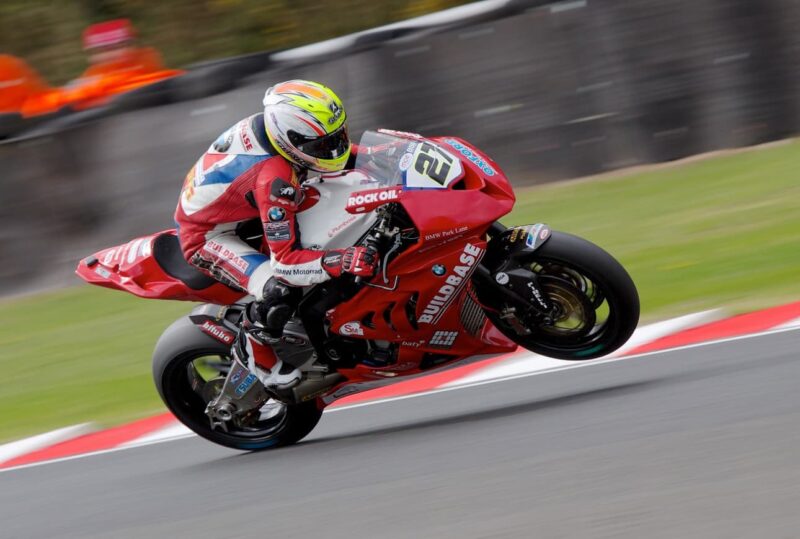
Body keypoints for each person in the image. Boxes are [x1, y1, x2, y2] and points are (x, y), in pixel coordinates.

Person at [175, 80, 378, 389]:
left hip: (242, 210)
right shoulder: (275, 179)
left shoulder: (279, 129)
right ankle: (257, 353)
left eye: (337, 138)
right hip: (209, 236)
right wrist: (341, 260)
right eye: (321, 146)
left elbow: (345, 156)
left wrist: (379, 156)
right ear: (290, 140)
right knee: (278, 288)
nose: (332, 150)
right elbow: (288, 263)